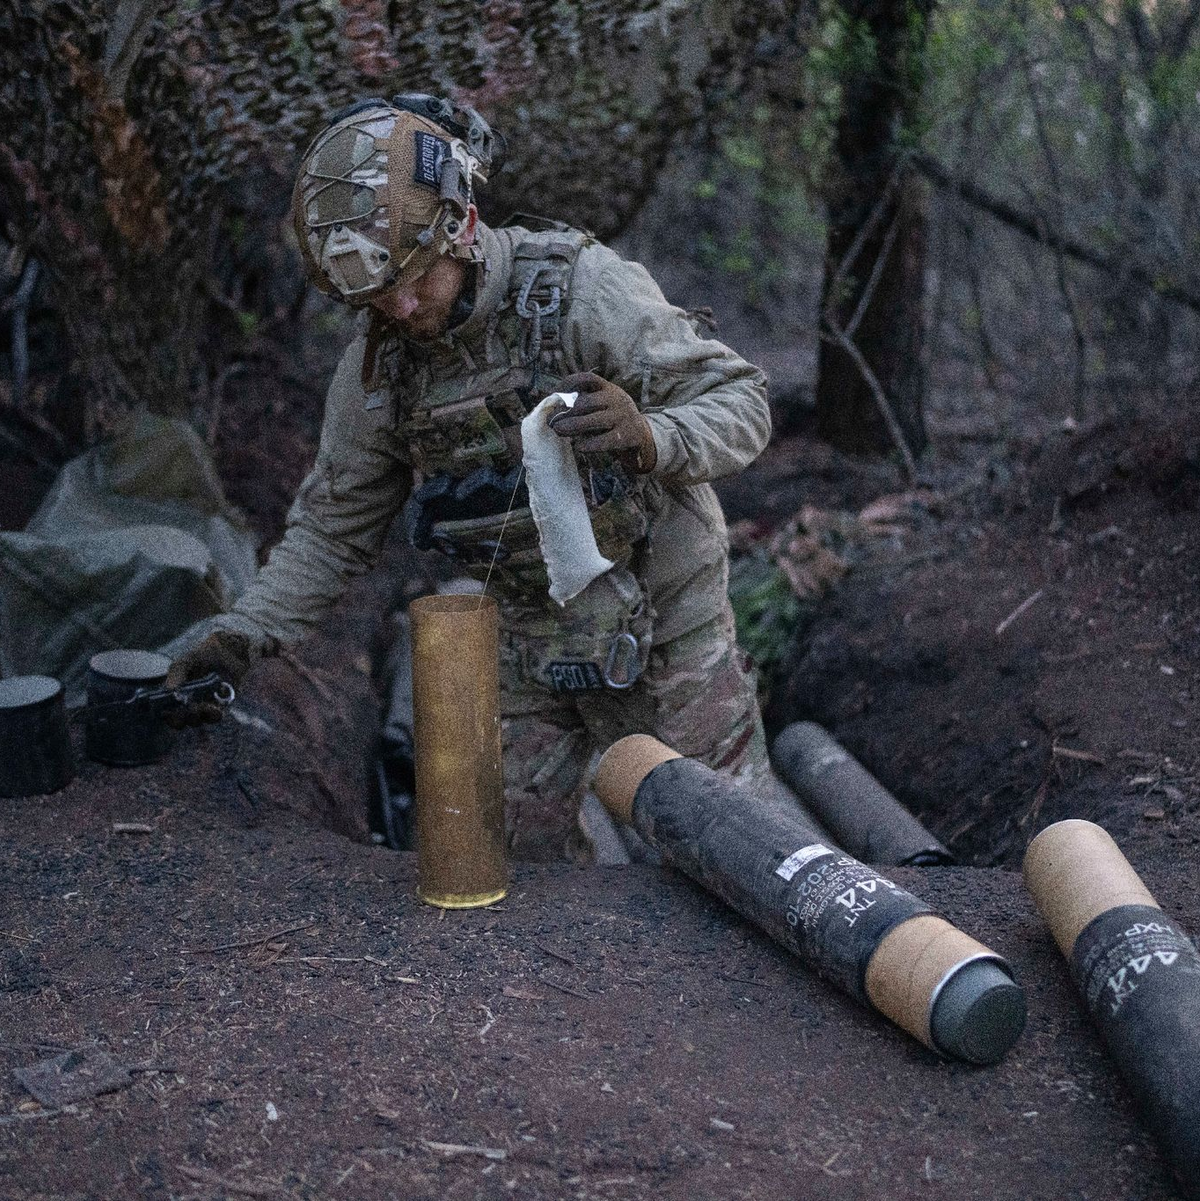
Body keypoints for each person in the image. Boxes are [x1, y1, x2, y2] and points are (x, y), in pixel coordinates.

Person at [166, 93, 773, 860]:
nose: (404, 304)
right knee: (503, 867)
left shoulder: (583, 291)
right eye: (375, 296)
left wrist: (656, 436)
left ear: (465, 228)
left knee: (736, 854)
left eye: (416, 276)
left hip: (667, 620)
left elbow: (742, 399)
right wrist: (240, 635)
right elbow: (330, 530)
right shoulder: (378, 373)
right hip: (529, 638)